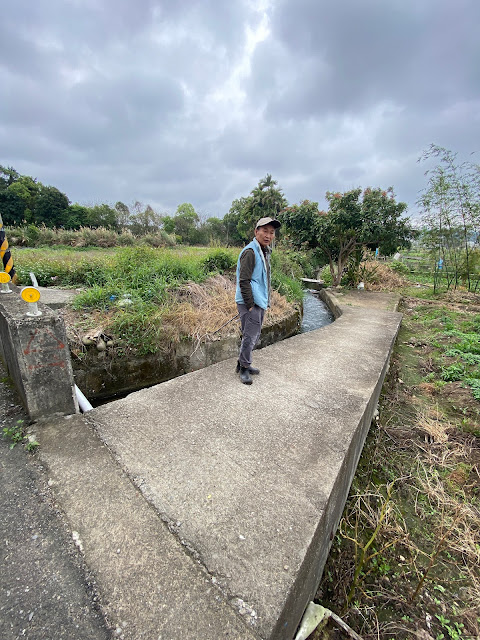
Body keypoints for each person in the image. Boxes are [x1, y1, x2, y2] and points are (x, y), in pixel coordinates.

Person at [235, 216, 281, 385]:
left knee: (252, 335)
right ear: (256, 232)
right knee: (250, 336)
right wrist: (250, 306)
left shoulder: (263, 251)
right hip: (250, 302)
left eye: (272, 232)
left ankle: (242, 363)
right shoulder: (250, 252)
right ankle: (244, 368)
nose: (268, 235)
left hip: (258, 300)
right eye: (265, 231)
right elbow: (244, 280)